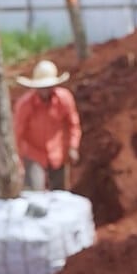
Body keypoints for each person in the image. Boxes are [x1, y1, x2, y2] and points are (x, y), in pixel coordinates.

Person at [13, 59, 82, 191]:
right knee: (35, 191)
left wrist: (73, 146)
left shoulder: (64, 99)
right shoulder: (25, 105)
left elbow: (73, 124)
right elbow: (17, 133)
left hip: (58, 152)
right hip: (34, 153)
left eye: (48, 86)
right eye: (41, 87)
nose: (45, 90)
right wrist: (18, 160)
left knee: (59, 193)